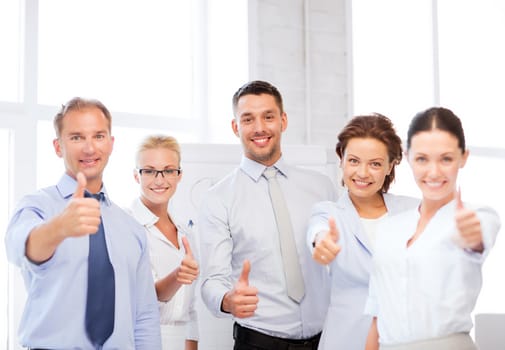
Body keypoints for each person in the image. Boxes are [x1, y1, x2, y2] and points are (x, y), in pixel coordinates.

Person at [5, 97, 161, 349]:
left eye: (98, 136)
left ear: (111, 144)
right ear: (58, 146)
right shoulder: (37, 206)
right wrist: (59, 228)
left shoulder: (131, 228)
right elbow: (19, 247)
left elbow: (144, 315)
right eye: (76, 137)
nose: (89, 149)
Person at [199, 80, 338, 350]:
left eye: (268, 116)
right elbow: (211, 281)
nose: (260, 127)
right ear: (235, 127)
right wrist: (227, 300)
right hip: (258, 343)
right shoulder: (218, 198)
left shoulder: (321, 187)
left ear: (283, 121)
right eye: (248, 119)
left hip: (326, 340)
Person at [364, 107, 501, 350]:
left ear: (463, 157)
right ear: (408, 157)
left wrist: (472, 237)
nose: (434, 172)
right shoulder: (389, 228)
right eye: (422, 159)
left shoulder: (477, 216)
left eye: (446, 159)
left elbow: (477, 239)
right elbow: (378, 314)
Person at [306, 114, 418, 350]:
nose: (363, 173)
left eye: (375, 163)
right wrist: (321, 242)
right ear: (341, 160)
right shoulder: (329, 213)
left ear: (390, 165)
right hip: (346, 341)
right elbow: (318, 231)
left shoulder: (413, 212)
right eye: (354, 161)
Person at [128, 135, 199, 350]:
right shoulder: (126, 226)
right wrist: (178, 276)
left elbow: (191, 308)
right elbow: (145, 293)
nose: (160, 180)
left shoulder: (185, 232)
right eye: (149, 171)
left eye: (168, 170)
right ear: (136, 175)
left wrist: (191, 346)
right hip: (141, 341)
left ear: (179, 175)